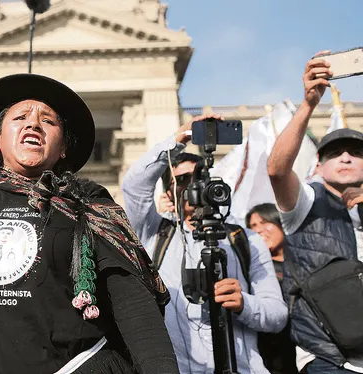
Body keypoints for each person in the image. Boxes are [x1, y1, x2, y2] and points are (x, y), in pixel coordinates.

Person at [0, 73, 177, 373]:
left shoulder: (88, 205)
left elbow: (133, 306)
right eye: (20, 117)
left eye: (48, 121)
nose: (33, 123)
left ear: (63, 147)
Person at [121, 116, 288, 373]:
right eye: (183, 179)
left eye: (199, 177)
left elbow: (277, 314)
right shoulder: (155, 232)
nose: (193, 184)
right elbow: (134, 185)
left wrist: (244, 303)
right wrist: (179, 138)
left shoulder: (245, 239)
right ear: (168, 193)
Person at [267, 52, 363, 373]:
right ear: (319, 166)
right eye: (335, 153)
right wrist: (308, 104)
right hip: (328, 358)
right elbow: (278, 171)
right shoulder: (306, 202)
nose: (346, 157)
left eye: (356, 152)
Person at [246, 203, 298, 374]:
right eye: (253, 226)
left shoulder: (301, 262)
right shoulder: (254, 272)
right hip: (271, 356)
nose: (259, 230)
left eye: (265, 222)